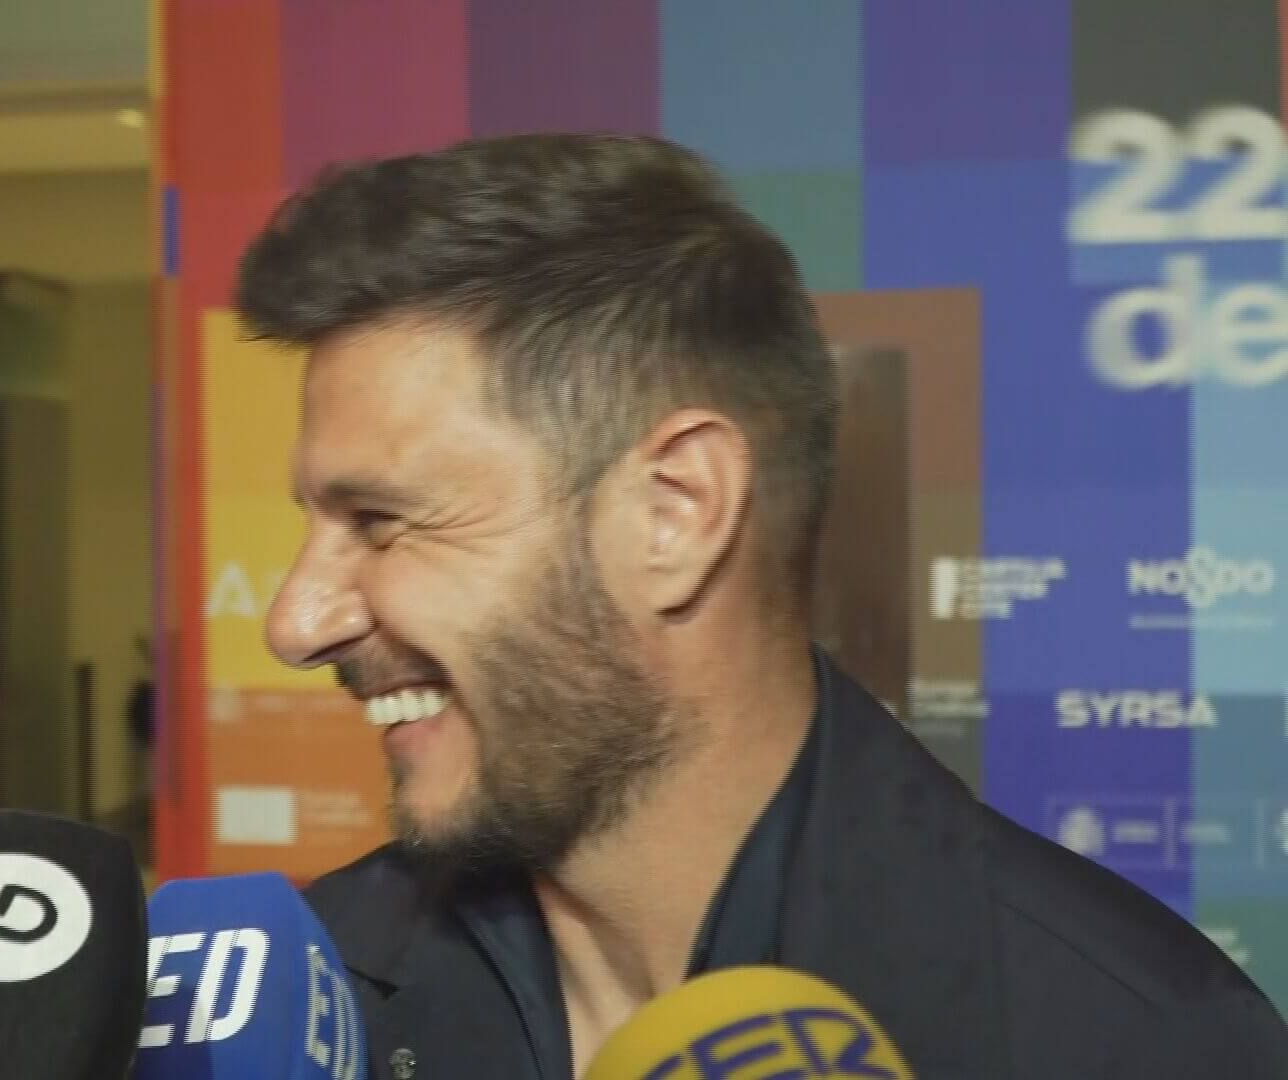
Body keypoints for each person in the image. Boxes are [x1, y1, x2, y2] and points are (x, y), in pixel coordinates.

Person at [235, 133, 1288, 1078]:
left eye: (380, 521)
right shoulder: (302, 1003)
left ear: (675, 514)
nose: (297, 620)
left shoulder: (1128, 1040)